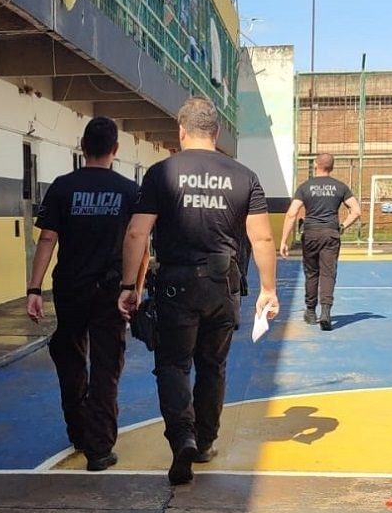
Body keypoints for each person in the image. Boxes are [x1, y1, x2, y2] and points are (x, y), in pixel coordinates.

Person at [118, 97, 279, 486]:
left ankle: (182, 438)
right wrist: (268, 290)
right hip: (224, 284)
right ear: (217, 132)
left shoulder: (161, 173)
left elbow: (138, 232)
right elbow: (262, 238)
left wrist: (128, 286)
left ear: (181, 130)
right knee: (213, 365)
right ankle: (205, 440)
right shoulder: (244, 175)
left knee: (173, 364)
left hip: (176, 284)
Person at [26, 117, 143, 472]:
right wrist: (133, 288)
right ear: (115, 150)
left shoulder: (62, 187)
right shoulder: (128, 190)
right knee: (107, 367)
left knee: (71, 357)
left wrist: (34, 289)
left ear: (82, 146)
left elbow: (47, 239)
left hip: (70, 288)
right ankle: (99, 448)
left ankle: (78, 431)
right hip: (110, 291)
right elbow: (139, 242)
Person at [279, 153, 361, 331]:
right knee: (328, 273)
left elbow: (292, 213)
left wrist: (284, 240)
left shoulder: (305, 187)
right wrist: (342, 226)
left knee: (311, 273)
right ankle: (325, 311)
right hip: (331, 233)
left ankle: (310, 311)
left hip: (310, 233)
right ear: (332, 167)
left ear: (316, 165)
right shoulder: (340, 187)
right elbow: (356, 211)